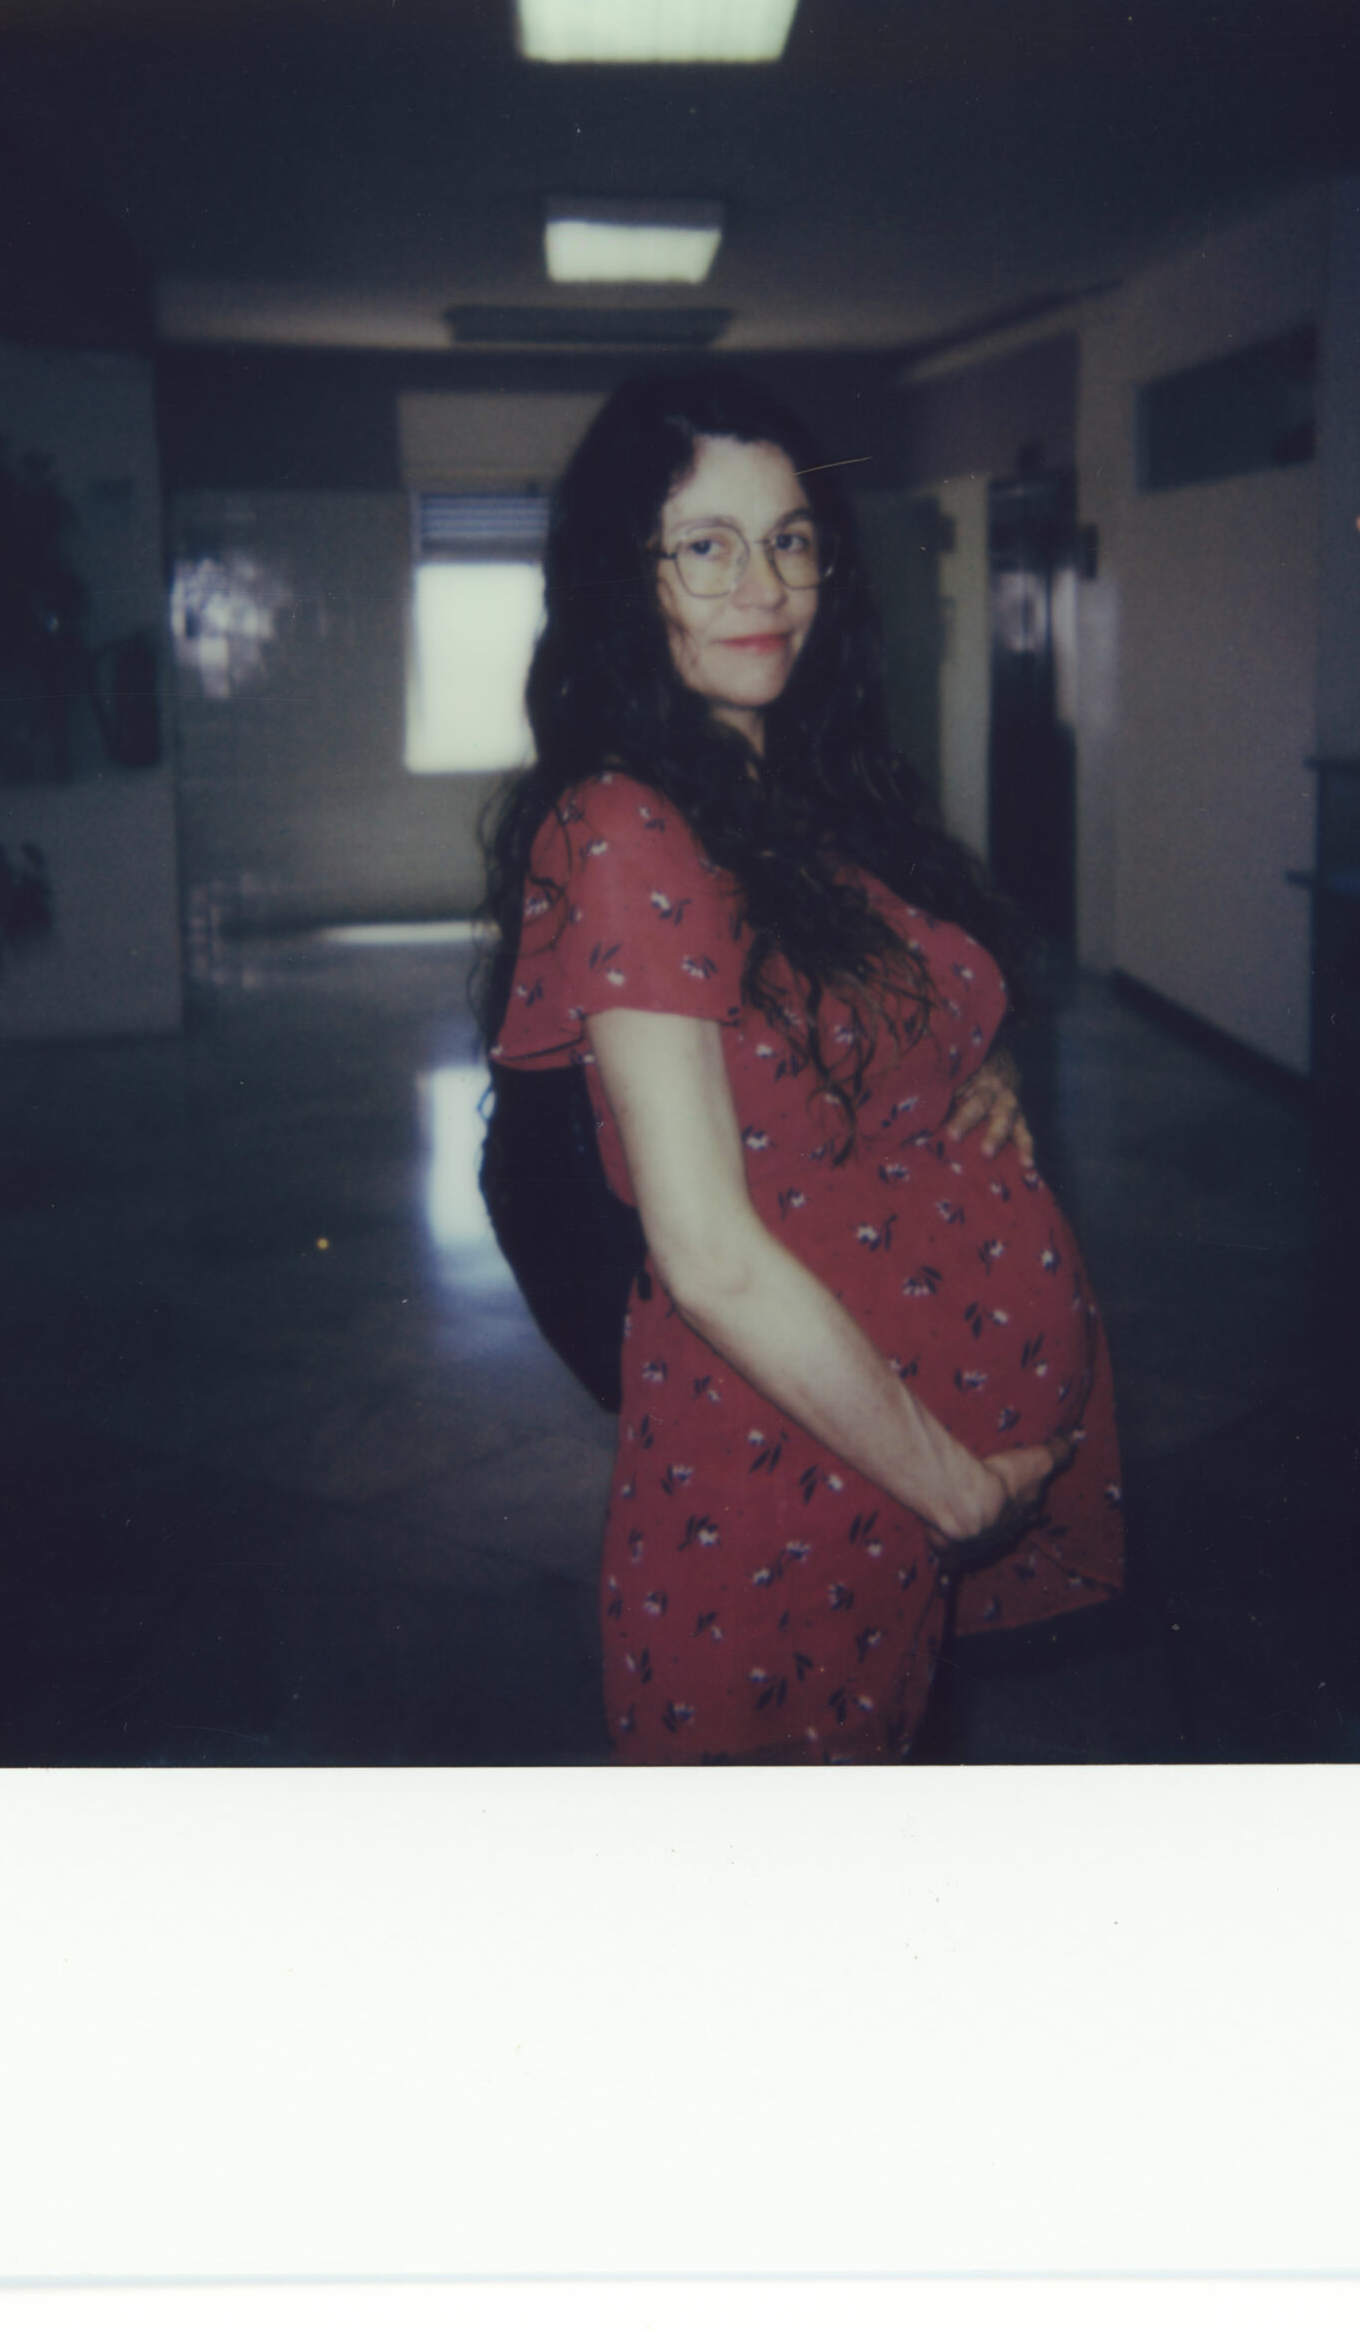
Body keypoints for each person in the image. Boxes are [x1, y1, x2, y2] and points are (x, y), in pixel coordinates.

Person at [480, 368, 1123, 1763]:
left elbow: (866, 1012)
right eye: (705, 546)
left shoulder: (802, 787)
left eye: (789, 539)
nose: (763, 586)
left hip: (887, 1452)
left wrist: (971, 1068)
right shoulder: (626, 827)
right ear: (621, 576)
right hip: (790, 1478)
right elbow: (705, 1250)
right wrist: (951, 1486)